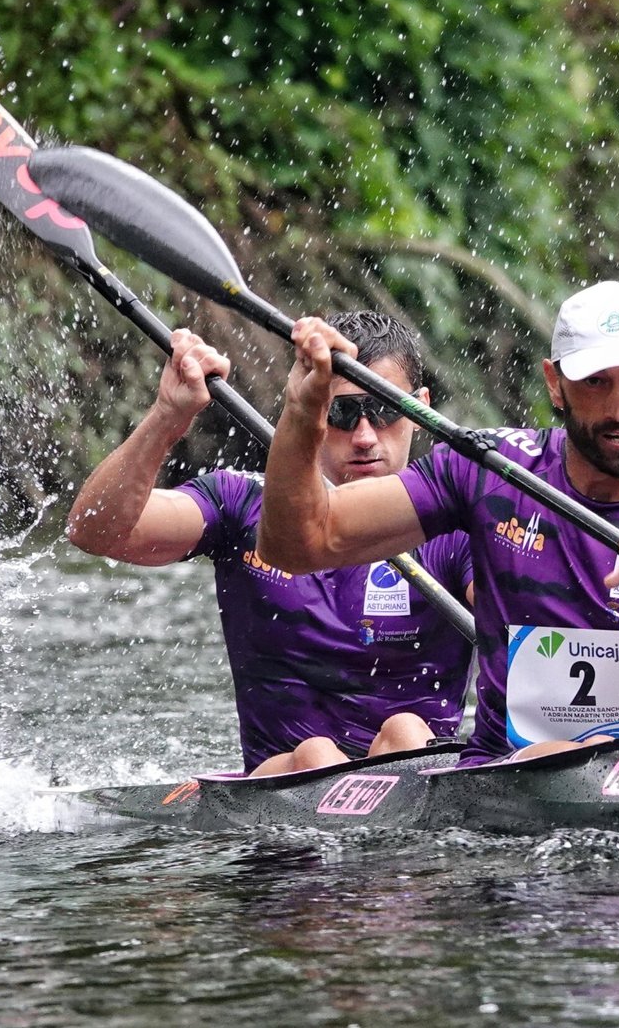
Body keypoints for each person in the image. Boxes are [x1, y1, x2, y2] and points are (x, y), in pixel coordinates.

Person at [257, 281, 619, 766]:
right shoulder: (489, 470)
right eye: (595, 382)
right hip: (509, 783)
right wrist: (302, 414)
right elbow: (299, 543)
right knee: (555, 755)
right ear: (555, 384)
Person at [67, 311, 473, 776]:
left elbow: (527, 616)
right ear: (312, 412)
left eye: (384, 409)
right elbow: (96, 530)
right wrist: (167, 416)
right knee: (316, 753)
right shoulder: (241, 505)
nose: (364, 437)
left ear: (419, 410)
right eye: (341, 413)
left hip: (415, 785)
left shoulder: (454, 527)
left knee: (403, 729)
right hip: (284, 794)